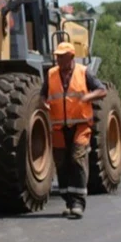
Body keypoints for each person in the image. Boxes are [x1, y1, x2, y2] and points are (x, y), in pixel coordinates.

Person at [41, 41, 107, 218]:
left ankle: (78, 202)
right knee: (61, 163)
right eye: (57, 57)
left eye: (62, 57)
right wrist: (44, 104)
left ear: (71, 57)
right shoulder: (51, 74)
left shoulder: (84, 72)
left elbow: (102, 90)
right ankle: (68, 201)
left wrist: (88, 97)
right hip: (58, 127)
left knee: (77, 158)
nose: (59, 60)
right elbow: (43, 95)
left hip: (80, 125)